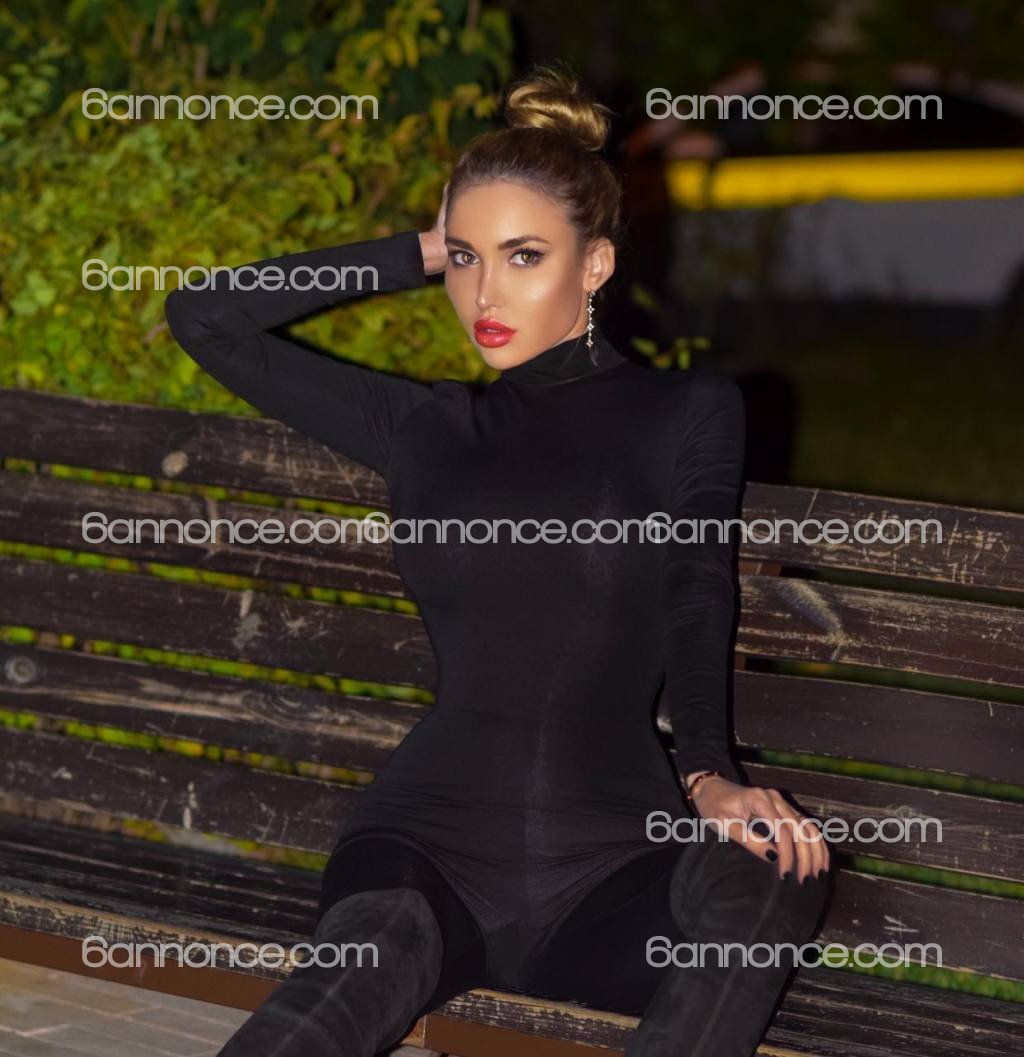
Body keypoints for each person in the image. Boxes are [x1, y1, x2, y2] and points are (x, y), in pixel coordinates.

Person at [165, 62, 831, 1057]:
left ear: (595, 265)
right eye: (468, 260)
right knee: (348, 975)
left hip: (615, 864)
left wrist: (709, 777)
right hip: (424, 854)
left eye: (525, 255)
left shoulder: (686, 411)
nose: (485, 292)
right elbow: (203, 315)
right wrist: (425, 245)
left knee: (778, 867)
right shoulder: (424, 426)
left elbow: (697, 586)